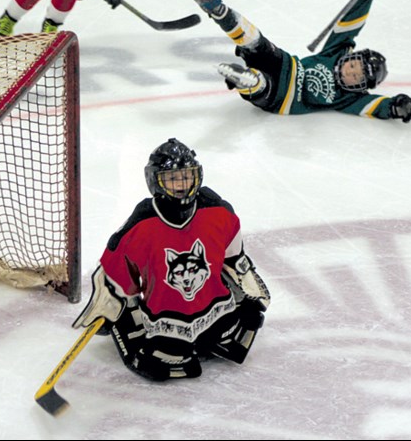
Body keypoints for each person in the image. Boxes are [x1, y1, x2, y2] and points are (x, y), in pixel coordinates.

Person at [73, 138, 270, 381]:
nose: (181, 185)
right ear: (155, 180)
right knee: (168, 364)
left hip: (216, 309)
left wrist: (253, 295)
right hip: (166, 321)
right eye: (172, 178)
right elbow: (114, 276)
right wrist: (110, 309)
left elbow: (235, 260)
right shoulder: (141, 225)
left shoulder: (218, 212)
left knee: (238, 335)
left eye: (186, 176)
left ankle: (211, 332)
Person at [184, 0, 411, 122]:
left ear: (360, 86)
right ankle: (217, 9)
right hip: (285, 63)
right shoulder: (336, 52)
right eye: (354, 64)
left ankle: (247, 80)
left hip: (281, 98)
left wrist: (395, 106)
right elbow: (350, 25)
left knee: (262, 84)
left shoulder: (350, 98)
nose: (350, 71)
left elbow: (374, 106)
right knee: (256, 41)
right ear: (351, 57)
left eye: (356, 76)